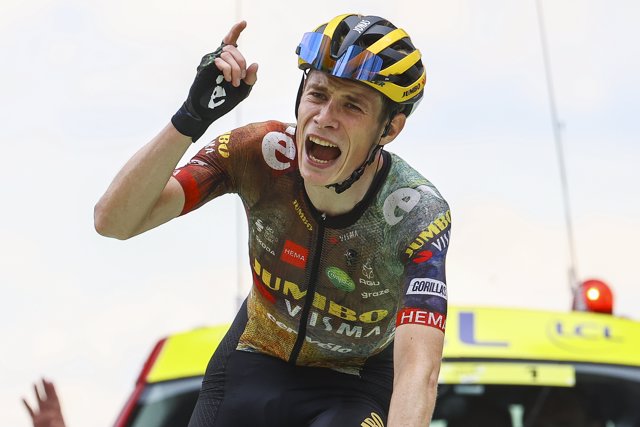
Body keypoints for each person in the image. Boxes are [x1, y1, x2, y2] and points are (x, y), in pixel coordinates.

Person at [95, 13, 450, 427]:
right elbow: (114, 221)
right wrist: (192, 116)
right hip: (254, 359)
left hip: (353, 383)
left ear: (389, 129)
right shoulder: (259, 153)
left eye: (352, 105)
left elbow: (418, 373)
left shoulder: (415, 213)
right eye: (317, 94)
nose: (325, 117)